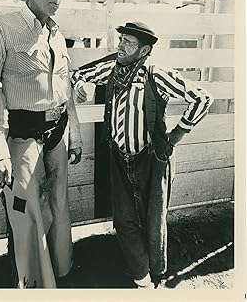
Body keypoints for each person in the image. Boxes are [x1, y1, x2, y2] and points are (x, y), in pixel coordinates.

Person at [72, 21, 213, 289]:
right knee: (124, 219)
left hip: (151, 159)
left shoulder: (156, 75)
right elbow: (80, 74)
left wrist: (176, 135)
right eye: (121, 40)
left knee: (154, 218)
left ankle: (156, 270)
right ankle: (142, 277)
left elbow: (203, 98)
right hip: (119, 157)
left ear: (145, 49)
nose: (121, 46)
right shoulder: (113, 68)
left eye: (129, 42)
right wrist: (80, 85)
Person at [0, 0, 83, 288]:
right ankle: (34, 284)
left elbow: (65, 87)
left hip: (59, 131)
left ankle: (62, 272)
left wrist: (76, 135)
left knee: (59, 204)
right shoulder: (2, 27)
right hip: (23, 135)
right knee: (26, 211)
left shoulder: (56, 32)